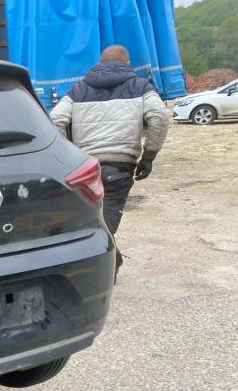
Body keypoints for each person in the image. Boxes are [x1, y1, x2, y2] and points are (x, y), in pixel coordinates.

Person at [50, 45, 171, 274]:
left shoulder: (78, 88)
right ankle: (105, 273)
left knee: (93, 222)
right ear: (127, 63)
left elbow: (56, 119)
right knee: (102, 226)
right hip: (119, 167)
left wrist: (67, 155)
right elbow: (160, 117)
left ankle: (108, 266)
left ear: (100, 63)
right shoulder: (140, 86)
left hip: (84, 168)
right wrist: (149, 156)